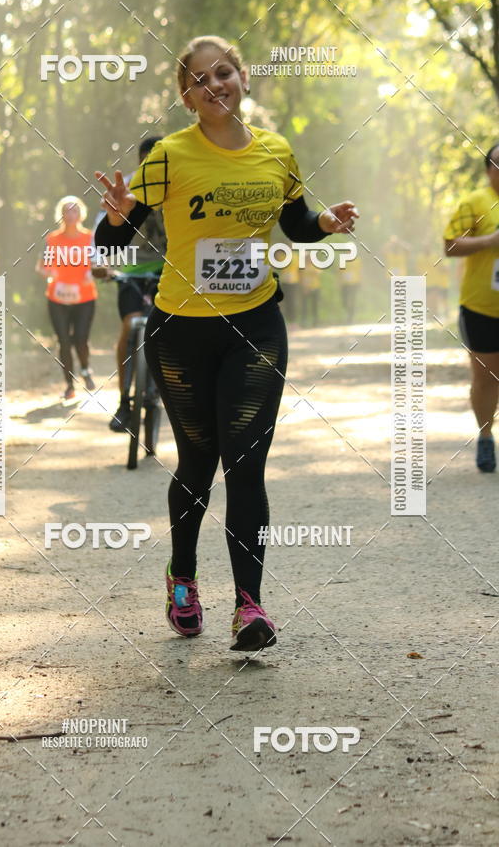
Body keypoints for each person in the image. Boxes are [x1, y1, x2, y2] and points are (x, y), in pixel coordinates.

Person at [94, 35, 358, 650]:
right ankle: (182, 578)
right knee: (197, 462)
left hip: (257, 327)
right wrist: (113, 216)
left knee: (246, 463)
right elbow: (112, 244)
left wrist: (326, 223)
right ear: (186, 97)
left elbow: (295, 224)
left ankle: (250, 606)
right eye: (198, 79)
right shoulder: (168, 156)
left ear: (242, 77)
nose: (214, 85)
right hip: (181, 331)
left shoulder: (277, 151)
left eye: (224, 72)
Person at [95, 138, 167, 432]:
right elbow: (103, 228)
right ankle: (125, 400)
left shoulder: (182, 187)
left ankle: (167, 391)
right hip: (133, 271)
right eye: (148, 161)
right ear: (139, 163)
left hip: (170, 272)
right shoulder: (126, 188)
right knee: (130, 325)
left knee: (172, 332)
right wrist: (100, 263)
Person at [444, 142, 499, 472]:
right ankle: (485, 437)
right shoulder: (475, 202)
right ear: (488, 169)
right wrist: (491, 241)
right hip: (481, 307)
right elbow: (451, 245)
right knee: (486, 377)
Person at [36, 196, 96, 402]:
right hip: (58, 298)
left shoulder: (90, 237)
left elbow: (99, 263)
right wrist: (49, 271)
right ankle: (70, 385)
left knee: (80, 339)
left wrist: (93, 272)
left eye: (75, 211)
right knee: (63, 341)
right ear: (61, 215)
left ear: (81, 214)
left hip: (84, 297)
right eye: (67, 211)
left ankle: (86, 369)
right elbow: (41, 267)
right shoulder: (52, 239)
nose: (71, 215)